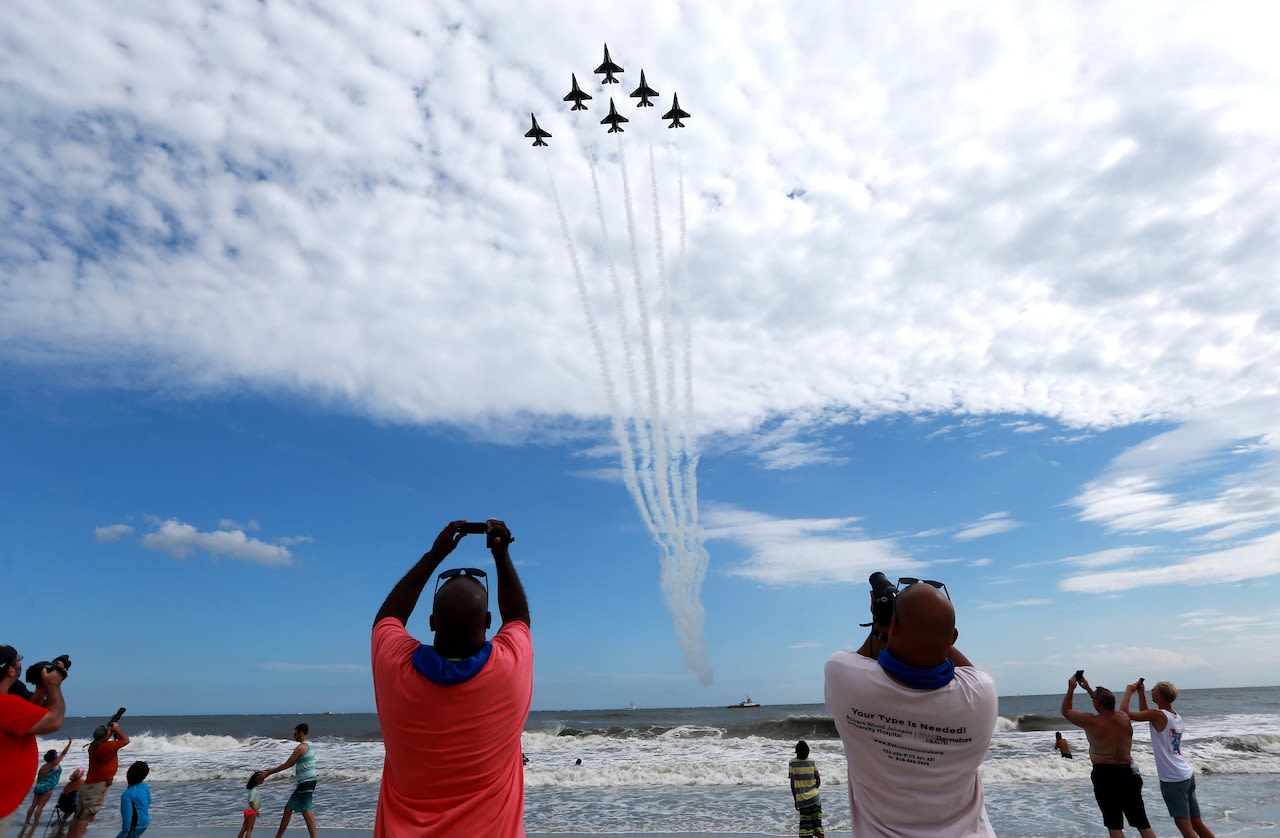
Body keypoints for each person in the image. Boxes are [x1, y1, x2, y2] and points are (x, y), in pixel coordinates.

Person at [371, 519, 531, 836]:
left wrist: (435, 554)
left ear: (432, 621)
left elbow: (387, 618)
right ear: (487, 620)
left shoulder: (394, 666)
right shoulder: (509, 668)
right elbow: (517, 617)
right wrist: (502, 556)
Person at [824, 579, 998, 836]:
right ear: (952, 638)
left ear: (893, 626)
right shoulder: (981, 694)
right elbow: (967, 671)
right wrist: (932, 631)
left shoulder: (842, 676)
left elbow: (861, 656)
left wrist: (882, 618)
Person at [1062, 674, 1156, 838]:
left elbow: (1066, 711)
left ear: (1097, 704)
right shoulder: (1124, 717)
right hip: (1129, 774)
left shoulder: (1091, 721)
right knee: (1142, 823)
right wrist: (1090, 690)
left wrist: (1071, 689)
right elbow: (1103, 704)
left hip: (1106, 775)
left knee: (1114, 825)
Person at [1123, 679, 1216, 838]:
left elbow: (1124, 714)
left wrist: (1128, 692)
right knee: (1197, 823)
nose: (1151, 690)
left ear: (1159, 695)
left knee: (1185, 827)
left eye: (1154, 689)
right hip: (1185, 774)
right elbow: (1146, 713)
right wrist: (1141, 694)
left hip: (1173, 779)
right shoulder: (1174, 716)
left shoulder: (1158, 715)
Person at [0, 645, 67, 836]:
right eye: (19, 659)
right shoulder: (6, 705)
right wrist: (54, 685)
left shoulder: (10, 707)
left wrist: (40, 690)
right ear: (11, 670)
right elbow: (54, 720)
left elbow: (22, 720)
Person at [66, 720, 130, 838]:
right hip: (97, 787)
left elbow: (104, 738)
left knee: (78, 815)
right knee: (86, 817)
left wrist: (110, 728)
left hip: (88, 785)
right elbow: (126, 740)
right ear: (106, 735)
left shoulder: (93, 745)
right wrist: (117, 730)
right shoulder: (106, 747)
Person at [260, 724, 316, 838]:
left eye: (295, 732)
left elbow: (288, 764)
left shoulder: (301, 748)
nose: (293, 735)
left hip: (306, 781)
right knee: (289, 809)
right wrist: (271, 770)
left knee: (306, 810)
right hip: (307, 781)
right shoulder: (310, 745)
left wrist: (268, 773)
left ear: (301, 732)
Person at [788, 740, 824, 838]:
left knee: (806, 831)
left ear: (797, 752)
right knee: (818, 827)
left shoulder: (792, 763)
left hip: (803, 801)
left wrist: (796, 800)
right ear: (808, 752)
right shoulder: (811, 761)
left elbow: (792, 784)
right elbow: (818, 780)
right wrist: (813, 790)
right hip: (815, 798)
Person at [114, 761, 149, 838]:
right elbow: (147, 803)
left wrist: (124, 832)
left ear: (128, 774)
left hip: (134, 826)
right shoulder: (145, 786)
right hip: (145, 822)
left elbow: (127, 818)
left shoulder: (127, 795)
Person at [237, 771, 263, 838]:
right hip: (251, 812)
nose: (263, 779)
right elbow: (251, 802)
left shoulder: (254, 789)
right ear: (257, 780)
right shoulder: (254, 790)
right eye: (262, 778)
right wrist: (256, 810)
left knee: (243, 829)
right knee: (249, 830)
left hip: (248, 811)